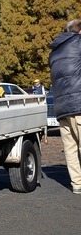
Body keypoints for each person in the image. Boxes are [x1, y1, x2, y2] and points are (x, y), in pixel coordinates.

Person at [49, 19, 81, 194]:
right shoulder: (78, 43)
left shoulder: (54, 52)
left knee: (70, 149)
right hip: (79, 105)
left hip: (62, 108)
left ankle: (77, 184)